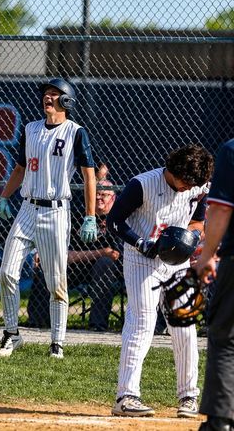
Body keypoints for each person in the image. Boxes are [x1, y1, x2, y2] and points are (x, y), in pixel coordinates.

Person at [107, 143, 213, 418]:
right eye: (184, 181)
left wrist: (190, 237)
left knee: (185, 325)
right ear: (172, 169)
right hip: (142, 258)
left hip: (177, 261)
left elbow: (199, 221)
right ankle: (126, 396)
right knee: (142, 322)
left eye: (193, 183)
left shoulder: (196, 186)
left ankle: (189, 397)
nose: (187, 187)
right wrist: (140, 242)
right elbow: (115, 220)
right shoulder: (142, 184)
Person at [0, 78, 97, 359]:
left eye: (54, 94)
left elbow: (89, 176)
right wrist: (5, 196)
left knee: (56, 282)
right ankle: (12, 334)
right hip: (28, 208)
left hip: (56, 210)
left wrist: (90, 216)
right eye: (46, 94)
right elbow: (20, 168)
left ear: (67, 101)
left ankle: (57, 342)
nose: (47, 98)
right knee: (7, 272)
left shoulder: (76, 132)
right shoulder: (30, 129)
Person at [26, 179, 123, 332]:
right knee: (48, 262)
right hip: (76, 268)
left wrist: (97, 255)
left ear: (113, 198)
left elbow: (115, 255)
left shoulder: (119, 219)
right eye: (96, 194)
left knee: (105, 264)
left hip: (108, 272)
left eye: (103, 194)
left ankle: (97, 326)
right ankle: (37, 322)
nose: (98, 198)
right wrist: (101, 252)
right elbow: (63, 254)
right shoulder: (78, 217)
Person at [195, 138, 234, 430]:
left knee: (225, 337)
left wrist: (208, 254)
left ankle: (220, 420)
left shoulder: (231, 149)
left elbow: (221, 209)